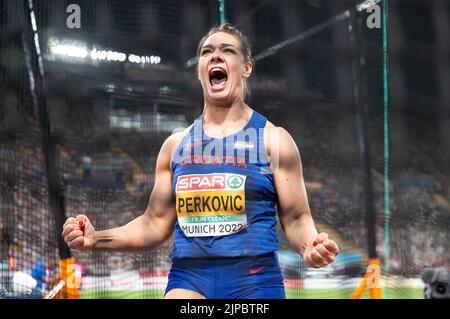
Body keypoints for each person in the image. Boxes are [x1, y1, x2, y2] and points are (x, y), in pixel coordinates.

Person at [62, 23, 339, 299]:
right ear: (199, 69)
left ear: (246, 68)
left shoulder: (274, 140)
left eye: (227, 50)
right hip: (190, 278)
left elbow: (296, 217)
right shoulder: (175, 146)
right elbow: (154, 223)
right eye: (207, 52)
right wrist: (95, 239)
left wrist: (308, 247)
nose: (215, 56)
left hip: (254, 281)